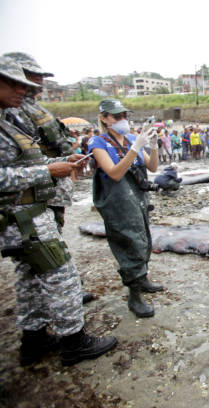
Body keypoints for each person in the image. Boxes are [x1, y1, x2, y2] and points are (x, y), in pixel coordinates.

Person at [0, 56, 117, 366]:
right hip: (22, 215)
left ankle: (34, 338)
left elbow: (19, 162)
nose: (22, 90)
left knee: (29, 275)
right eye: (13, 83)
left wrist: (55, 166)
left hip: (24, 213)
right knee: (61, 276)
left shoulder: (7, 119)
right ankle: (74, 341)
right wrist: (48, 171)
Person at [3, 52, 94, 303]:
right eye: (31, 77)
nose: (37, 83)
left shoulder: (27, 108)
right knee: (44, 259)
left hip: (47, 187)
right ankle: (62, 315)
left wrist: (59, 163)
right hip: (31, 197)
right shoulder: (13, 112)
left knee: (50, 251)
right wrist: (48, 170)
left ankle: (47, 314)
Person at [88, 99, 164, 318]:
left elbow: (153, 167)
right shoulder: (98, 142)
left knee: (143, 237)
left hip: (137, 196)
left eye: (124, 115)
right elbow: (114, 173)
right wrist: (134, 148)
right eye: (117, 116)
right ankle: (134, 294)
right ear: (104, 118)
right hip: (117, 200)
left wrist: (152, 145)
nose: (123, 120)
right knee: (129, 241)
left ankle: (143, 278)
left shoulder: (132, 137)